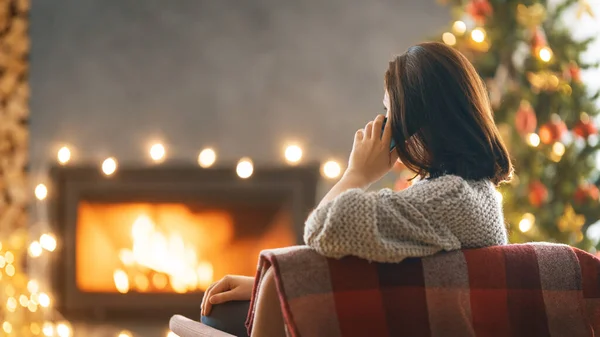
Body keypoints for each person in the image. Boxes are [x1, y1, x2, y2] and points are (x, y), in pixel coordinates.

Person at [201, 41, 513, 335]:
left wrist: (357, 174)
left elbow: (325, 228)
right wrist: (265, 284)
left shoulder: (452, 198)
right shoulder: (470, 195)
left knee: (217, 316)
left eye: (392, 114)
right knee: (225, 312)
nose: (388, 125)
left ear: (420, 123)